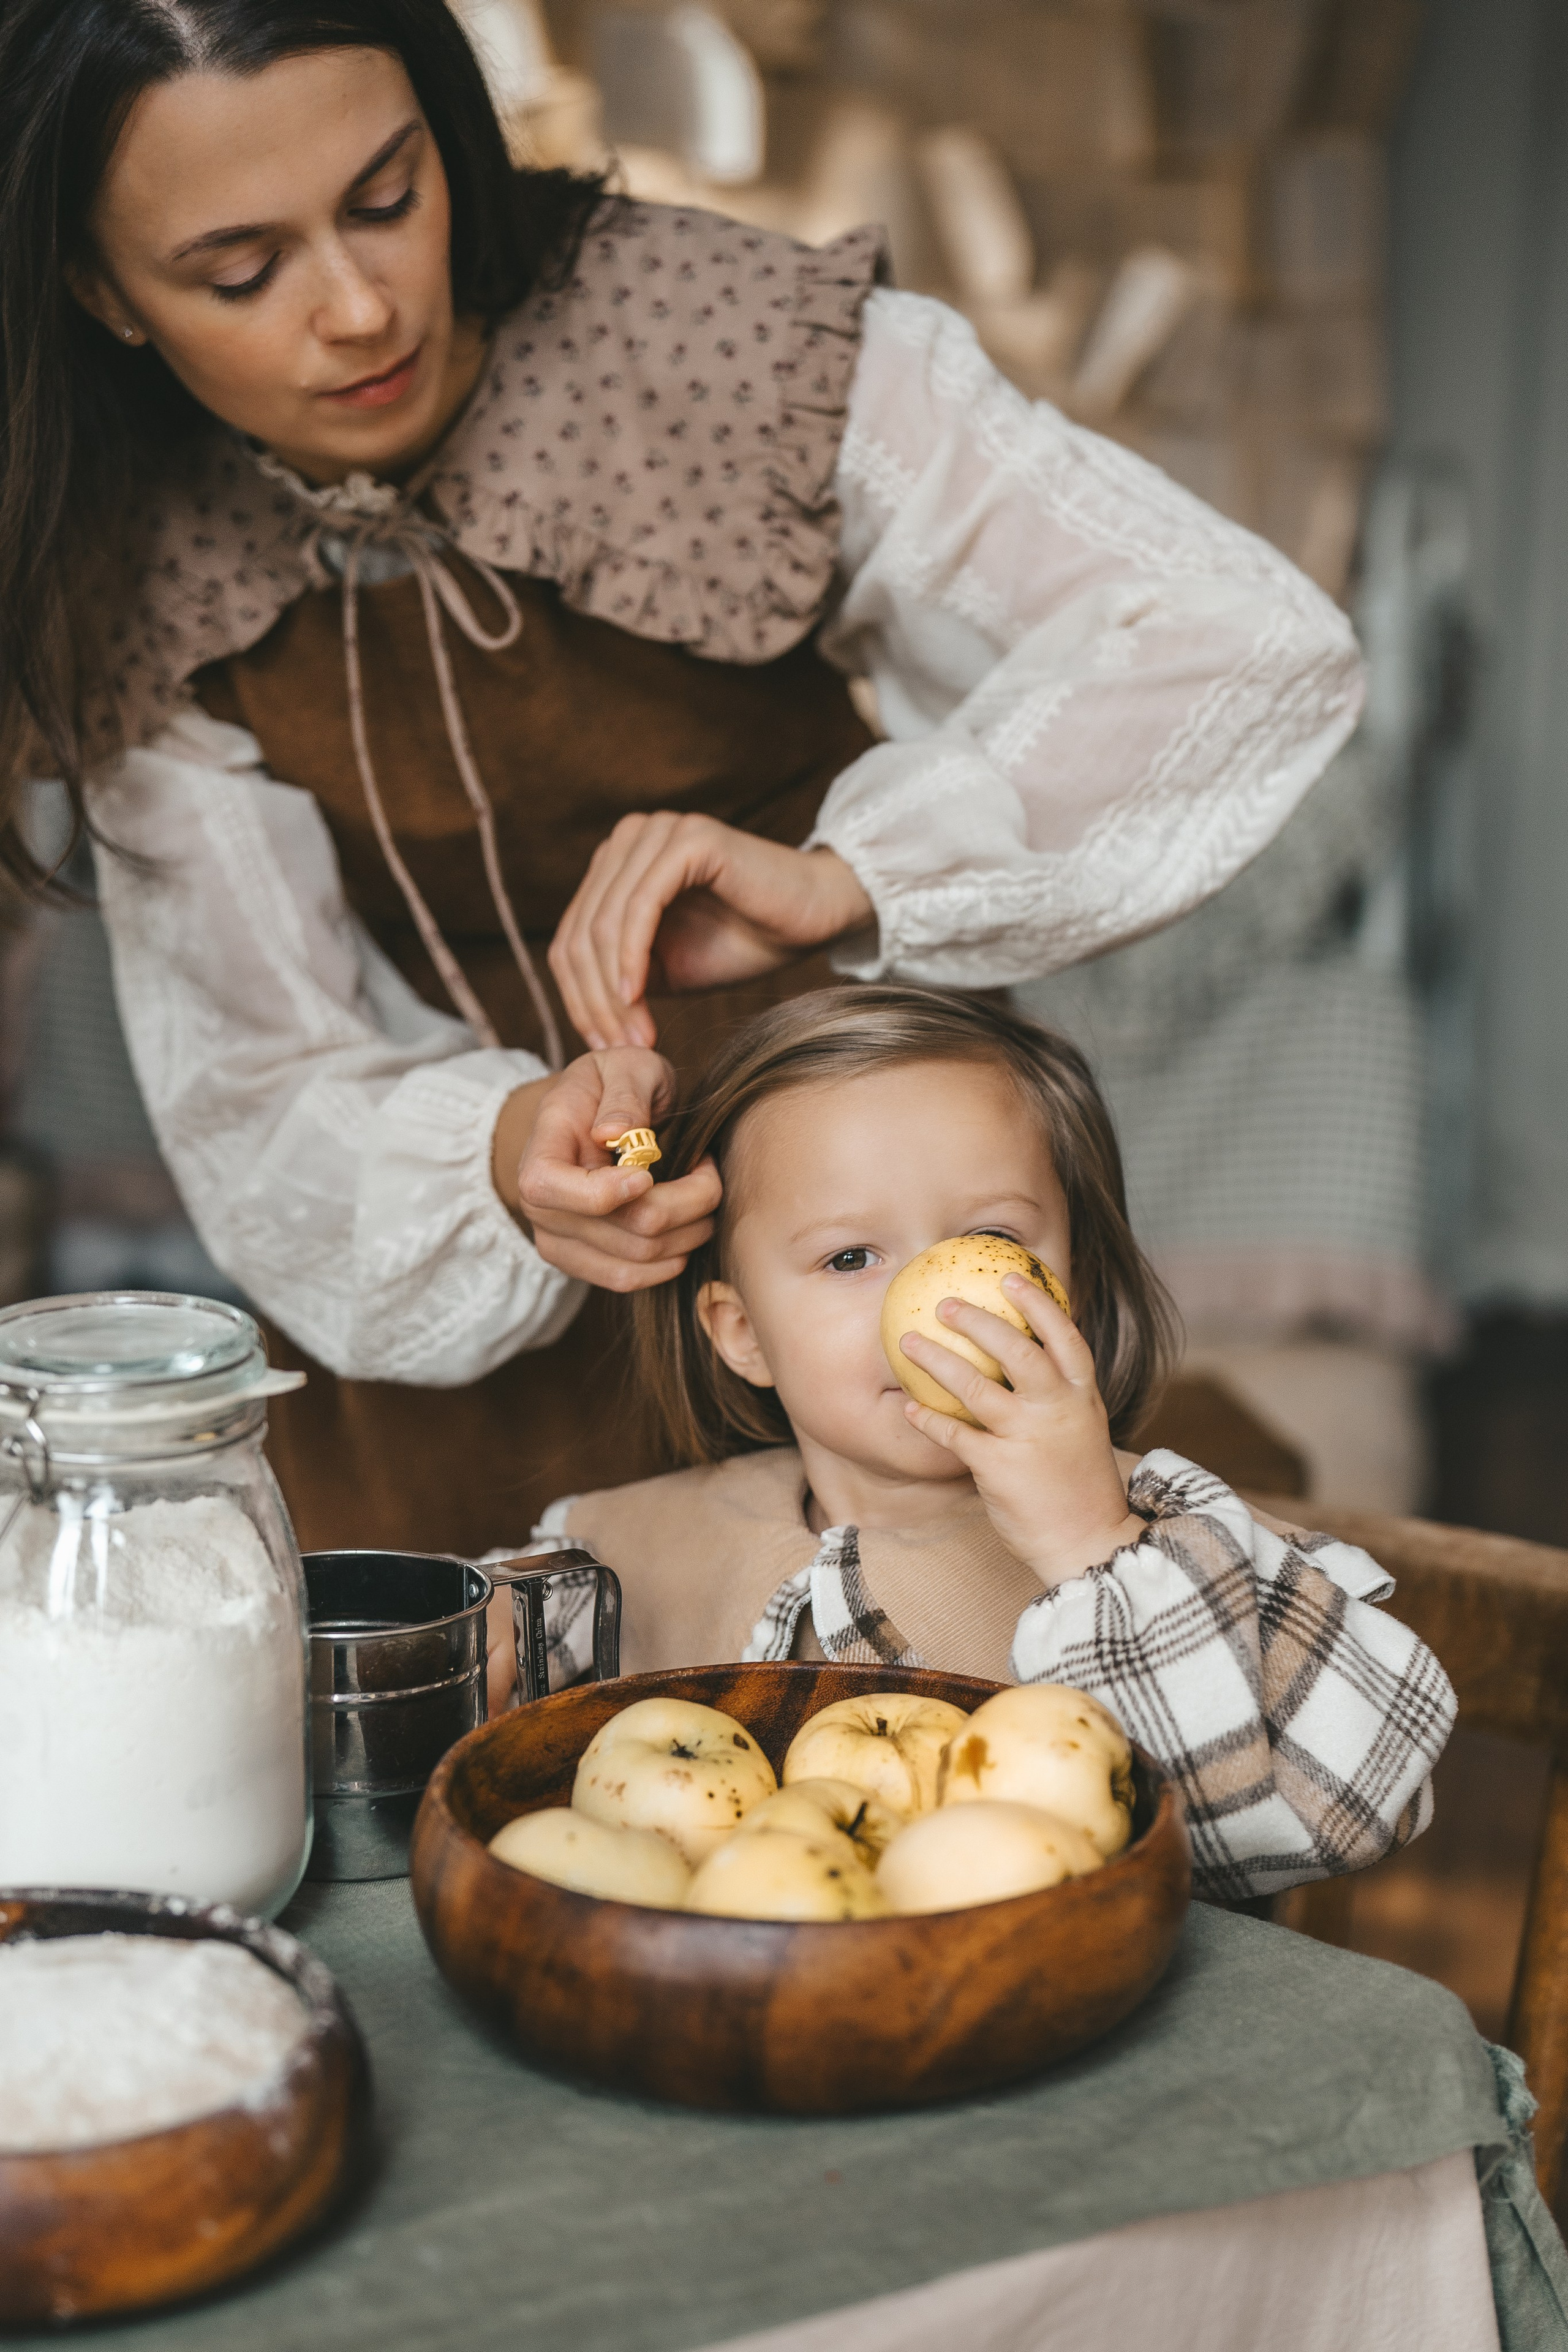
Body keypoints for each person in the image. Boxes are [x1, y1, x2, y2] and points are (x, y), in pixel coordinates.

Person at [1, 0, 1364, 1556]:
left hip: (882, 1310)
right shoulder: (109, 550)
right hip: (471, 1381)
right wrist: (509, 1152)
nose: (362, 307)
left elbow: (1232, 638)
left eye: (388, 197)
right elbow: (263, 1082)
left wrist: (853, 880)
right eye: (241, 271)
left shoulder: (719, 342)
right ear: (100, 291)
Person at [524, 989, 1455, 1903]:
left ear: (1073, 1286)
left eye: (991, 1238)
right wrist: (470, 1641)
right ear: (745, 1335)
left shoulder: (1163, 1534)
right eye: (852, 1258)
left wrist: (1093, 1545)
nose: (936, 1296)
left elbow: (1366, 1800)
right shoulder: (648, 1538)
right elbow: (494, 1655)